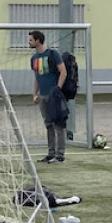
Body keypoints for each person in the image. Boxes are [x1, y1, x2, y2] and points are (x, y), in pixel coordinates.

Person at [28, 31, 68, 164]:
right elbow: (36, 78)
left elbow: (63, 71)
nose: (29, 42)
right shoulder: (34, 58)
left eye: (31, 40)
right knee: (48, 124)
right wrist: (35, 93)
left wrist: (57, 88)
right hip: (42, 95)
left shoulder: (52, 54)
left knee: (58, 124)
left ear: (38, 40)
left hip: (53, 95)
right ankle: (51, 153)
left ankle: (60, 154)